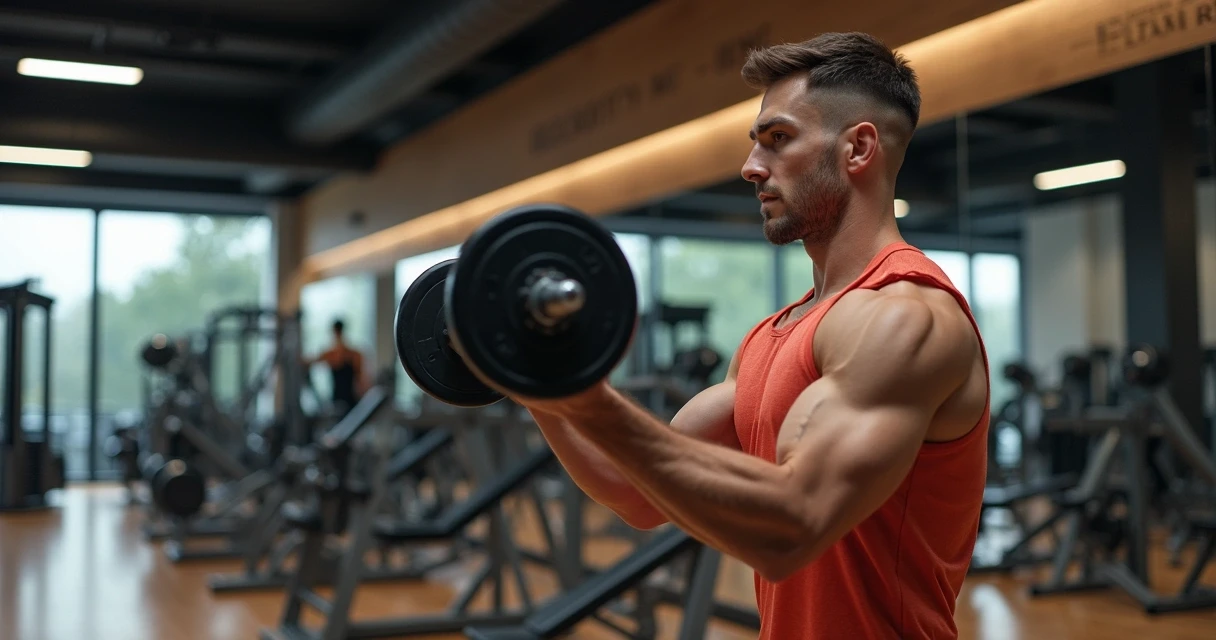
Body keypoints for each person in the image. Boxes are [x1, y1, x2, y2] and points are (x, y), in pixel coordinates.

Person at [501, 32, 990, 639]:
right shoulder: (773, 335)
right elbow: (635, 491)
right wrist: (536, 380)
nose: (750, 167)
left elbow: (791, 526)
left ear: (858, 148)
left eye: (778, 139)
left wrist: (588, 400)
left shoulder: (907, 317)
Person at [306, 319, 368, 416]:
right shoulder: (353, 354)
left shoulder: (333, 354)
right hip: (347, 399)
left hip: (344, 399)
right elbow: (361, 381)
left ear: (334, 331)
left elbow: (360, 381)